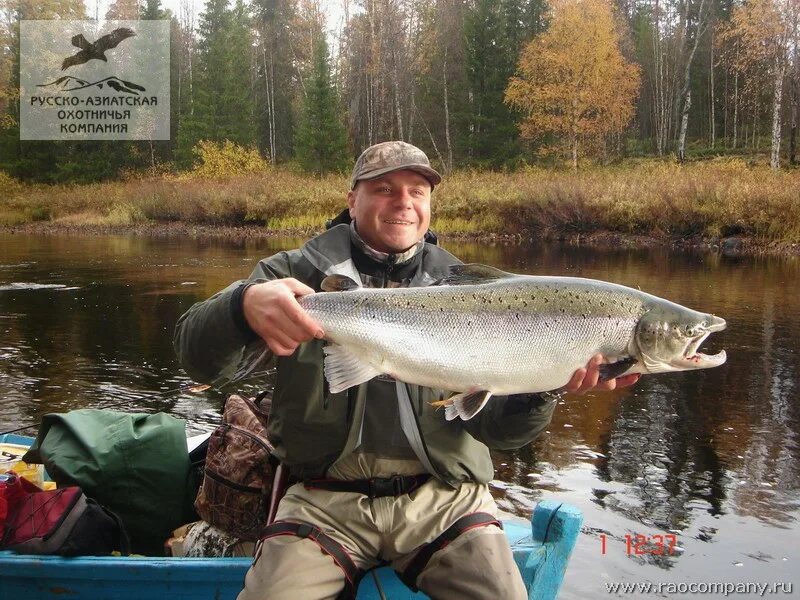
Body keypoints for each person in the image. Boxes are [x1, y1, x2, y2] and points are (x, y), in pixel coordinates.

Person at [174, 141, 639, 600]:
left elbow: (503, 435)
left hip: (445, 500)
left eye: (418, 191)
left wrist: (544, 385)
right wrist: (241, 304)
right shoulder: (294, 274)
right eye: (384, 189)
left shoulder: (475, 293)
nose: (404, 203)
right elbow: (195, 355)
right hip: (322, 499)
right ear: (351, 199)